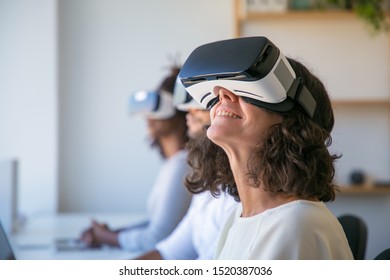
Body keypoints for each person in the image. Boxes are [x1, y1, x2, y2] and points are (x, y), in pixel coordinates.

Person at [180, 36, 354, 259]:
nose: (221, 94)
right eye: (221, 89)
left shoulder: (298, 225)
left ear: (293, 122)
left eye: (245, 89)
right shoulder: (237, 218)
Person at [80, 66, 193, 253]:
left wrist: (106, 237)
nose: (149, 114)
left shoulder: (183, 164)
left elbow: (157, 238)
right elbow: (157, 223)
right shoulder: (173, 164)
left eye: (159, 105)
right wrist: (113, 233)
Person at [135, 79, 239, 260]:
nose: (188, 110)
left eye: (199, 102)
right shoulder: (207, 182)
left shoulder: (239, 193)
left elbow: (158, 236)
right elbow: (169, 251)